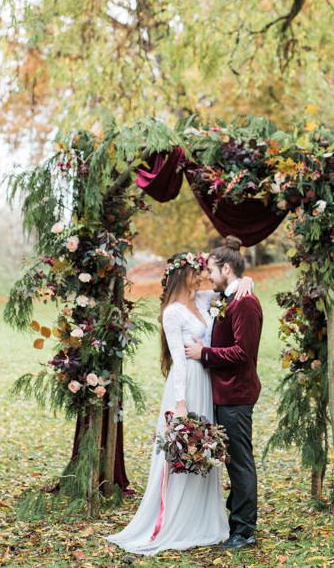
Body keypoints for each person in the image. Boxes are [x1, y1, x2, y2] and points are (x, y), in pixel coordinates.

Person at [105, 250, 254, 555]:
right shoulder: (173, 312)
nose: (202, 275)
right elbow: (179, 360)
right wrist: (181, 403)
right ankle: (177, 519)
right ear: (183, 275)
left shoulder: (201, 301)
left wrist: (246, 278)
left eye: (205, 270)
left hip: (209, 383)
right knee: (184, 452)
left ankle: (204, 518)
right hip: (187, 385)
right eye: (197, 271)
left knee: (205, 451)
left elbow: (227, 288)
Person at [185, 235, 262, 550]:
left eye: (213, 272)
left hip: (237, 396)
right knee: (233, 462)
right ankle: (235, 523)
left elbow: (243, 353)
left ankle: (244, 532)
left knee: (241, 464)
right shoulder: (227, 299)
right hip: (223, 394)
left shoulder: (245, 303)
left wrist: (204, 353)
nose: (209, 278)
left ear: (227, 269)